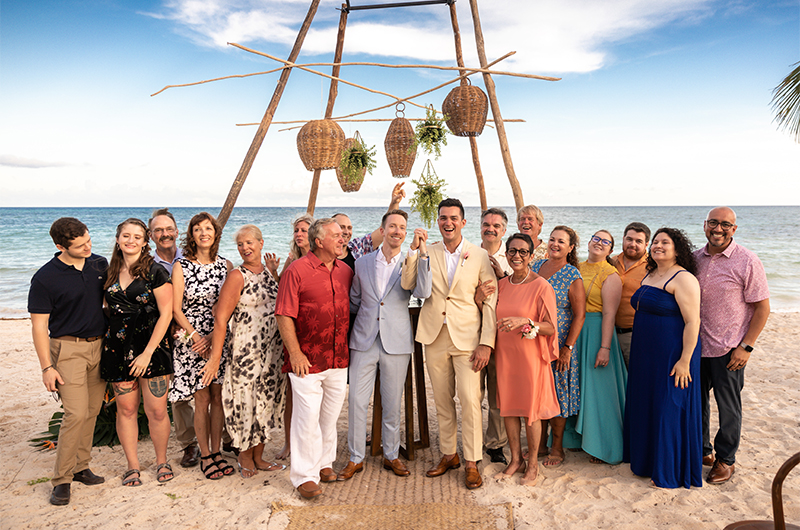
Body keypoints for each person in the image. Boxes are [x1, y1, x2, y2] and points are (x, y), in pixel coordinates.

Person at [402, 198, 496, 490]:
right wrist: (415, 251)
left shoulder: (478, 255)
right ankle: (448, 455)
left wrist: (486, 342)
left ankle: (471, 461)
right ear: (438, 221)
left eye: (453, 218)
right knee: (442, 401)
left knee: (469, 400)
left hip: (468, 337)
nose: (448, 223)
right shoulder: (427, 251)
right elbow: (407, 284)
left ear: (463, 222)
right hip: (434, 336)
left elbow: (490, 299)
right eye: (443, 218)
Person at [338, 210, 431, 481]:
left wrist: (422, 254)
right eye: (392, 226)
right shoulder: (363, 262)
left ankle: (391, 455)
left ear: (406, 232)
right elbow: (355, 298)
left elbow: (423, 293)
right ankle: (355, 458)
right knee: (356, 401)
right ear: (383, 229)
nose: (397, 231)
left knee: (392, 402)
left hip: (397, 341)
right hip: (364, 340)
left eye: (402, 227)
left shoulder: (410, 260)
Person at [28, 217, 108, 505]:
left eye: (89, 240)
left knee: (91, 410)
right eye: (80, 245)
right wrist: (46, 367)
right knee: (74, 413)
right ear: (61, 246)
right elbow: (39, 326)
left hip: (99, 346)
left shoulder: (99, 264)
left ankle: (81, 467)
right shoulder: (45, 278)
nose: (89, 247)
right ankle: (61, 480)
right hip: (67, 350)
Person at [276, 218, 353, 499]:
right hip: (306, 360)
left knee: (329, 417)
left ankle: (324, 464)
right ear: (319, 241)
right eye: (335, 235)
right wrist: (295, 353)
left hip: (338, 357)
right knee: (306, 418)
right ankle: (303, 476)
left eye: (343, 235)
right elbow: (283, 313)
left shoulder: (345, 271)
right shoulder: (296, 271)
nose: (342, 238)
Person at [695, 207, 770, 485]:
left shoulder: (747, 260)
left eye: (725, 224)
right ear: (705, 225)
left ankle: (726, 460)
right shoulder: (694, 259)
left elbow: (762, 308)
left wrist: (746, 347)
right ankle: (703, 452)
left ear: (734, 229)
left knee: (728, 408)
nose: (718, 229)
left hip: (729, 348)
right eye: (713, 223)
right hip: (695, 346)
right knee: (697, 404)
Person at [623, 228, 702, 489]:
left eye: (664, 243)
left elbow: (693, 322)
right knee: (648, 404)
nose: (658, 246)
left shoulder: (684, 278)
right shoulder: (652, 273)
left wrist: (684, 360)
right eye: (655, 242)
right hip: (645, 353)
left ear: (677, 249)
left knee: (669, 407)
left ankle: (669, 470)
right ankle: (646, 462)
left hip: (672, 355)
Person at [205, 225, 287, 478]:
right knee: (244, 404)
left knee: (265, 403)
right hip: (245, 353)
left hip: (272, 352)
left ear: (261, 243)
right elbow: (221, 319)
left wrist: (275, 273)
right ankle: (244, 456)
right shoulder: (236, 276)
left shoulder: (269, 274)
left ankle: (259, 456)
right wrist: (215, 358)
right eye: (240, 244)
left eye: (250, 242)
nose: (245, 248)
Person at [101, 218, 174, 486]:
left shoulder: (156, 272)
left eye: (137, 237)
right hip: (117, 349)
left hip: (152, 349)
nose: (131, 240)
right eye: (126, 236)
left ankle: (161, 460)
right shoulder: (108, 271)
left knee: (156, 410)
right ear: (118, 239)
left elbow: (166, 314)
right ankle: (132, 465)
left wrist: (147, 353)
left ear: (145, 242)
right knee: (126, 409)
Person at [169, 212, 233, 480]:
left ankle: (217, 451)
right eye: (198, 229)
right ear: (192, 235)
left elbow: (231, 305)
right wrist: (197, 337)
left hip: (219, 339)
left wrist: (214, 338)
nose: (204, 232)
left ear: (216, 234)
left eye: (209, 228)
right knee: (202, 398)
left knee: (218, 398)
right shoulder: (181, 266)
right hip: (191, 341)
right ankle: (205, 454)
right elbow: (175, 308)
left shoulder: (227, 266)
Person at [492, 233, 559, 486]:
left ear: (531, 256)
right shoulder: (502, 285)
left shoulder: (542, 286)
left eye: (522, 251)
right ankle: (515, 460)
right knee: (508, 408)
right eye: (512, 251)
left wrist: (526, 322)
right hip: (506, 355)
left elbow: (551, 327)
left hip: (530, 358)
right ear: (506, 254)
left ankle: (532, 466)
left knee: (531, 412)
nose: (517, 255)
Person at [148, 208, 200, 469]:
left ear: (178, 232)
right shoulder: (146, 266)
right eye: (158, 230)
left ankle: (223, 438)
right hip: (165, 336)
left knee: (211, 387)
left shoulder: (193, 258)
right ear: (151, 235)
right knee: (178, 394)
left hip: (197, 331)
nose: (164, 234)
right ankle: (189, 444)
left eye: (169, 229)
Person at [531, 226, 586, 467]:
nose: (555, 244)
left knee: (558, 393)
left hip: (560, 342)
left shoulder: (572, 274)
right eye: (552, 239)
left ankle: (557, 448)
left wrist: (568, 348)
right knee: (537, 392)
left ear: (570, 247)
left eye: (561, 241)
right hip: (534, 340)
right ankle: (539, 445)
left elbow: (580, 315)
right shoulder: (535, 267)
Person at [574, 230, 627, 465]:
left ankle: (603, 445)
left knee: (599, 391)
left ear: (610, 250)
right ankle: (576, 439)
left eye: (606, 242)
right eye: (596, 238)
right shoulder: (576, 266)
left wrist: (605, 347)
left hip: (596, 333)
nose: (599, 243)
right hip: (576, 331)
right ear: (588, 242)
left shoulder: (610, 275)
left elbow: (609, 314)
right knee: (577, 386)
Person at [276, 212, 314, 461]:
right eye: (296, 230)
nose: (299, 234)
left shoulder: (323, 259)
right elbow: (281, 295)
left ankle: (309, 444)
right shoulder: (291, 260)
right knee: (291, 391)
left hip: (313, 331)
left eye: (303, 230)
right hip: (292, 332)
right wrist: (273, 272)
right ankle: (289, 443)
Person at [477, 208, 512, 464]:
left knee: (498, 395)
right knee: (473, 393)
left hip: (503, 336)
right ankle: (473, 442)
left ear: (504, 229)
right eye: (487, 224)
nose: (491, 228)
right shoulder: (468, 254)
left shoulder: (513, 258)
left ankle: (496, 444)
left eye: (496, 225)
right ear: (480, 226)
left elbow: (518, 297)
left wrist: (502, 277)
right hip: (473, 334)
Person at [333, 182, 406, 270]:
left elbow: (382, 230)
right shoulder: (322, 254)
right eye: (342, 227)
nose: (346, 232)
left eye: (349, 228)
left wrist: (394, 203)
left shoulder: (358, 248)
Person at [612, 222, 650, 366]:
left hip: (636, 335)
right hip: (608, 334)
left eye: (638, 241)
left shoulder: (653, 267)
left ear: (646, 244)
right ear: (623, 239)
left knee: (635, 379)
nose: (632, 244)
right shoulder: (612, 261)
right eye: (629, 239)